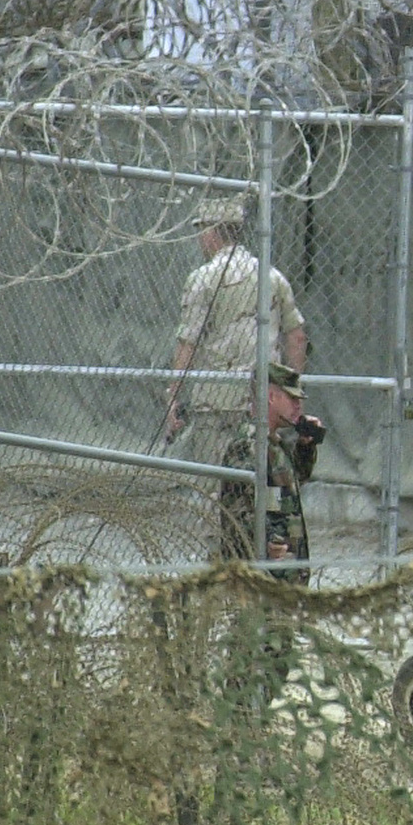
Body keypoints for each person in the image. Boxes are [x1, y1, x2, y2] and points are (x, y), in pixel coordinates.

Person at [164, 194, 309, 454]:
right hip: (265, 396)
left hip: (216, 399)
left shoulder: (203, 279)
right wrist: (291, 392)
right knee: (262, 475)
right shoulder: (273, 276)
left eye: (200, 231)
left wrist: (173, 396)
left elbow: (188, 343)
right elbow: (297, 337)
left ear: (210, 232)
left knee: (216, 479)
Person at [220, 363, 326, 585]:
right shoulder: (247, 446)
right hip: (263, 574)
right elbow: (238, 509)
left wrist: (305, 445)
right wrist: (266, 543)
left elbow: (293, 482)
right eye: (292, 399)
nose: (299, 406)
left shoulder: (273, 443)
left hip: (285, 572)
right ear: (270, 397)